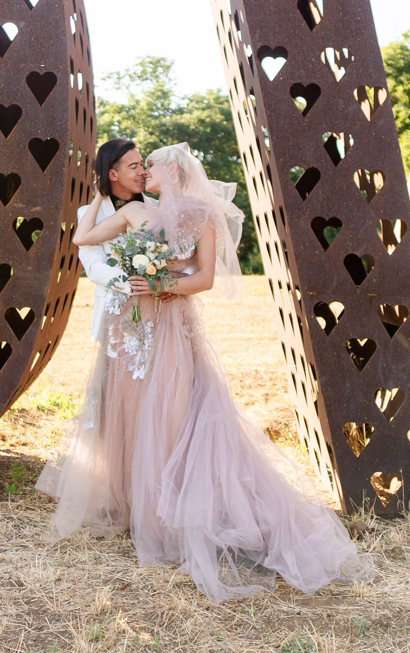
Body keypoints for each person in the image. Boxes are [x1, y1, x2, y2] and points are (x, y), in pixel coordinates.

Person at [37, 143, 373, 603]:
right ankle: (140, 508)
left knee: (172, 411)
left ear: (172, 169)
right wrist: (98, 199)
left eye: (149, 164)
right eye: (137, 165)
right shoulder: (138, 213)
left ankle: (173, 514)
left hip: (173, 322)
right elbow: (83, 241)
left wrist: (160, 283)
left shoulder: (203, 214)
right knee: (136, 411)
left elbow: (206, 279)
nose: (144, 171)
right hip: (134, 324)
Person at [76, 138, 150, 341]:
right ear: (112, 174)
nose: (142, 171)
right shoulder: (88, 215)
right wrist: (134, 285)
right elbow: (93, 267)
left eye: (142, 164)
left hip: (158, 309)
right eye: (134, 166)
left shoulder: (157, 208)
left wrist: (156, 286)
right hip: (112, 312)